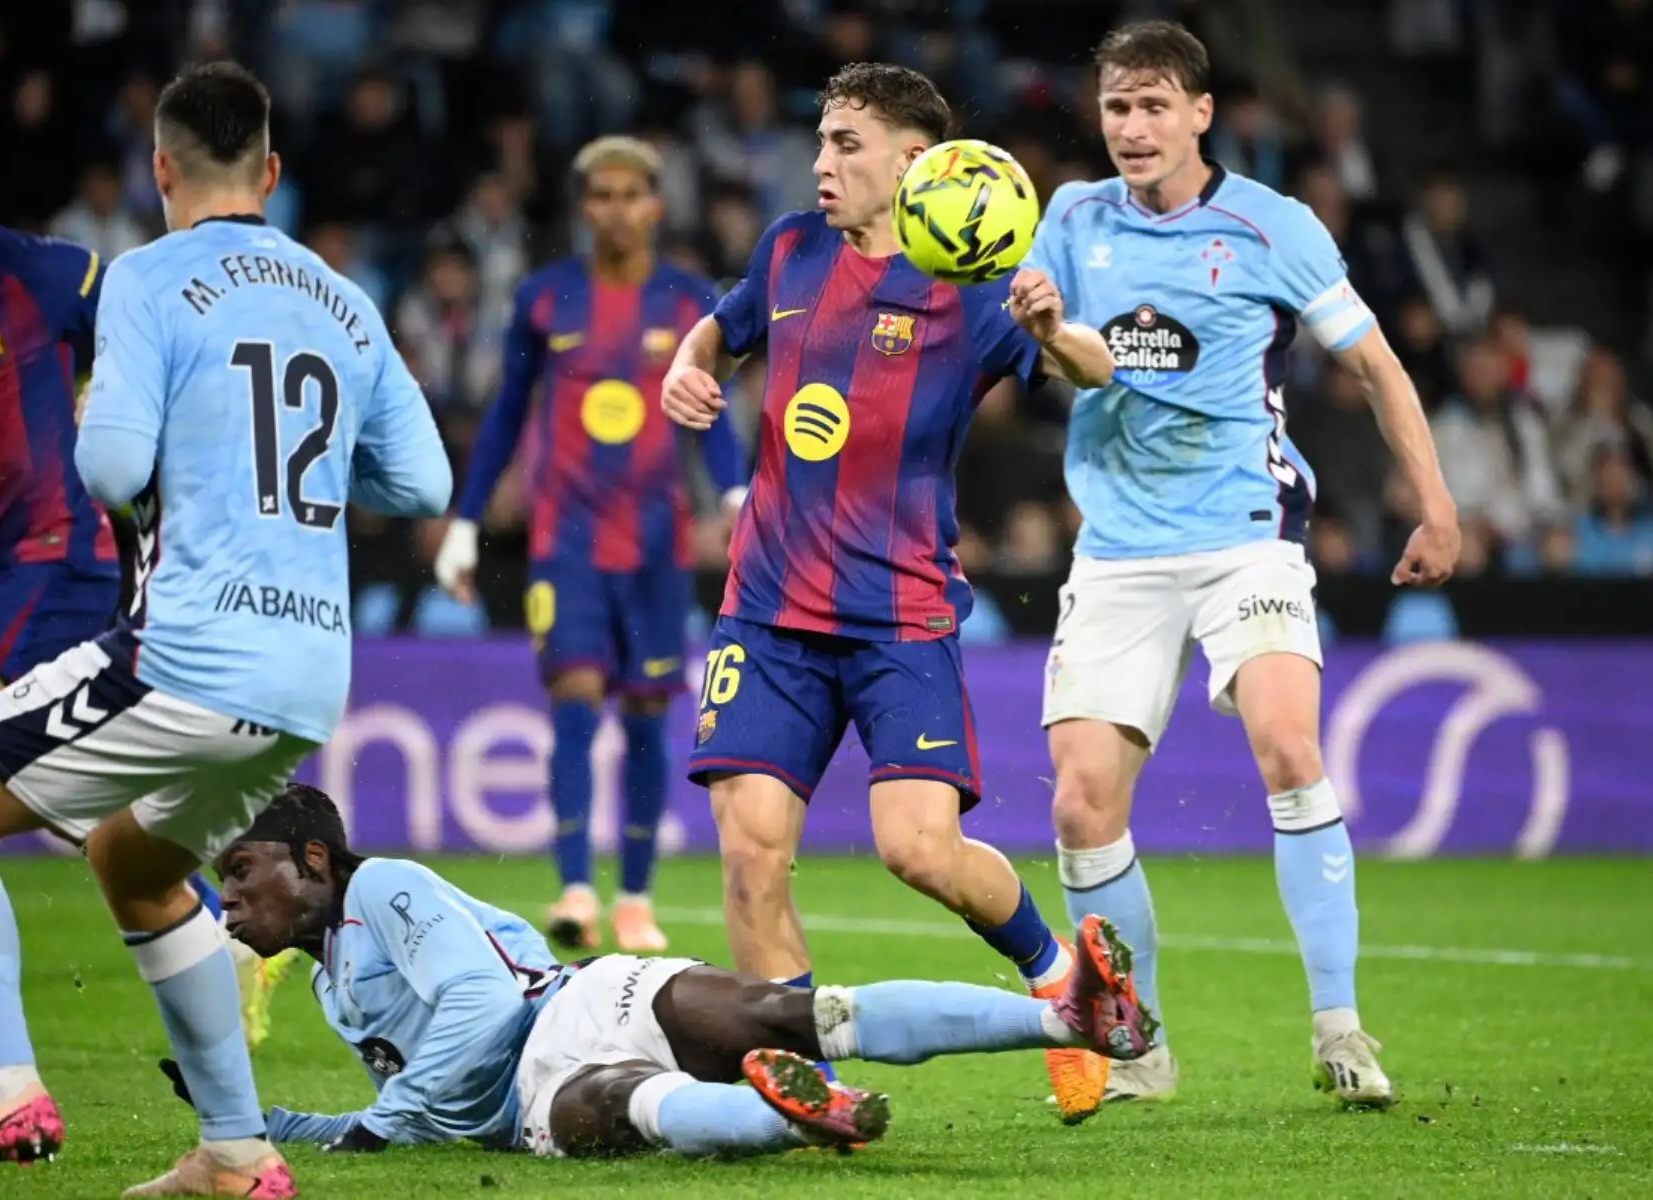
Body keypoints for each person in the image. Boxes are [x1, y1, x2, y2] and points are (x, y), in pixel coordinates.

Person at [0, 61, 451, 1199]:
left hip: (185, 653)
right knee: (134, 866)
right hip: (308, 676)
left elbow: (106, 466)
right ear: (273, 174)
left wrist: (154, 446)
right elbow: (424, 481)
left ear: (160, 171)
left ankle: (2, 1088)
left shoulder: (145, 276)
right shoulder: (344, 297)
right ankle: (235, 1155)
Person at [1017, 20, 1460, 1123]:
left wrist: (1438, 504)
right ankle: (1140, 1041)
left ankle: (1338, 1026)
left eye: (1155, 105)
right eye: (1117, 108)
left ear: (1202, 113)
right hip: (1118, 548)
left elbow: (1375, 366)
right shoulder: (1071, 219)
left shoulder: (1275, 226)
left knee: (1289, 745)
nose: (1133, 127)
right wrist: (1044, 326)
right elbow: (1087, 366)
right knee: (1078, 807)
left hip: (1243, 534)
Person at [658, 59, 1115, 1089]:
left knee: (917, 851)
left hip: (897, 615)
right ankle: (798, 1075)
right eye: (821, 140)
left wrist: (1051, 331)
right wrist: (688, 370)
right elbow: (717, 333)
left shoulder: (974, 286)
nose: (821, 162)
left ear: (916, 162)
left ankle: (1055, 978)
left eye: (845, 143)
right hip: (767, 614)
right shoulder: (788, 251)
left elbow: (1092, 368)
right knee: (748, 853)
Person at [0, 103, 295, 1059]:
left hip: (58, 549)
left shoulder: (35, 270)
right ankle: (234, 937)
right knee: (76, 797)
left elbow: (160, 325)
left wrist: (126, 391)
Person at [188, 781, 1155, 1158]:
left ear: (312, 860)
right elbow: (384, 1112)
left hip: (568, 1006)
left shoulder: (382, 887)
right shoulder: (328, 978)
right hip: (541, 1095)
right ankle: (796, 1114)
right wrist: (256, 1124)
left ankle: (1067, 1017)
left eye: (240, 870)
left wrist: (386, 1125)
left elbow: (481, 1004)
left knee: (788, 1010)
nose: (228, 897)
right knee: (624, 1099)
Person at [433, 136, 746, 955]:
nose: (616, 209)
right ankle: (575, 889)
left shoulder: (688, 303)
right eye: (600, 195)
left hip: (655, 542)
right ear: (583, 208)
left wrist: (738, 496)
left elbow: (710, 411)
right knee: (573, 697)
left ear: (655, 204)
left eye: (630, 194)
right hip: (564, 540)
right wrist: (466, 521)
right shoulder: (544, 298)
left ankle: (635, 896)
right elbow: (505, 415)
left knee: (646, 710)